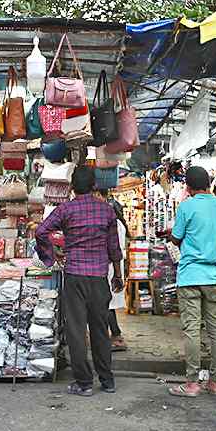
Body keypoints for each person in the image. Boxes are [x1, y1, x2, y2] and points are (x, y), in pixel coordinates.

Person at [36, 166, 123, 397]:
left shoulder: (66, 209)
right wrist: (118, 274)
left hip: (74, 275)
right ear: (94, 185)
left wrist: (52, 254)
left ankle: (84, 382)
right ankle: (107, 380)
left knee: (76, 330)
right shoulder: (106, 210)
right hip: (98, 277)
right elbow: (114, 247)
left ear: (72, 187)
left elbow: (41, 231)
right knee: (100, 330)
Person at [167, 166, 216, 397]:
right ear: (209, 184)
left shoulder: (186, 206)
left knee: (192, 329)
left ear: (188, 186)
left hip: (190, 277)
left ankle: (192, 383)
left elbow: (176, 239)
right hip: (215, 276)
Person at [97, 190, 128, 352]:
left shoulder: (114, 225)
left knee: (107, 303)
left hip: (110, 266)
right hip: (113, 266)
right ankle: (114, 335)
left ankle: (116, 336)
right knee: (108, 304)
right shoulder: (119, 224)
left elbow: (113, 248)